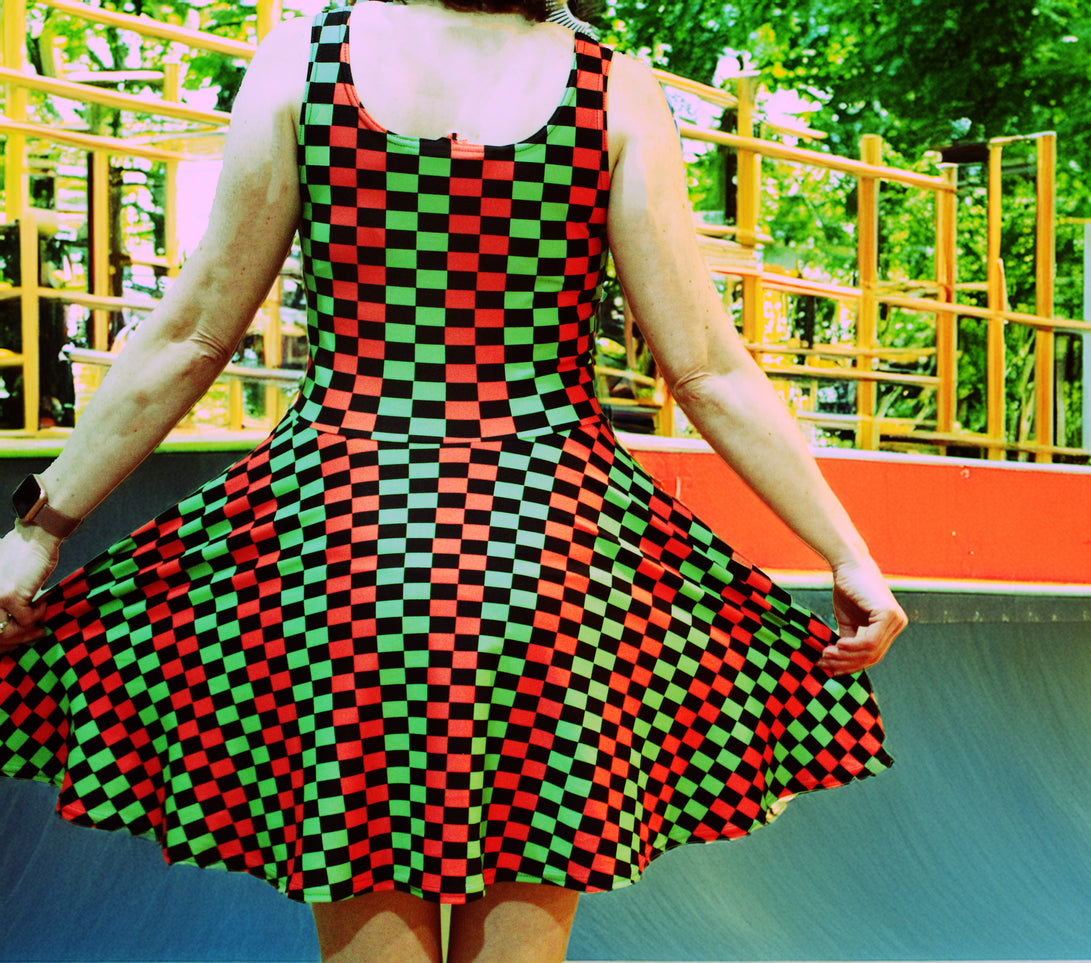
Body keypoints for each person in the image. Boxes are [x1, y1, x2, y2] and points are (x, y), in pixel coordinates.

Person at [0, 1, 906, 960]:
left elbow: (191, 336)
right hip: (550, 546)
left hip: (347, 536)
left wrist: (38, 530)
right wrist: (848, 554)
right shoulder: (611, 87)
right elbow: (707, 369)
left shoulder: (307, 62)